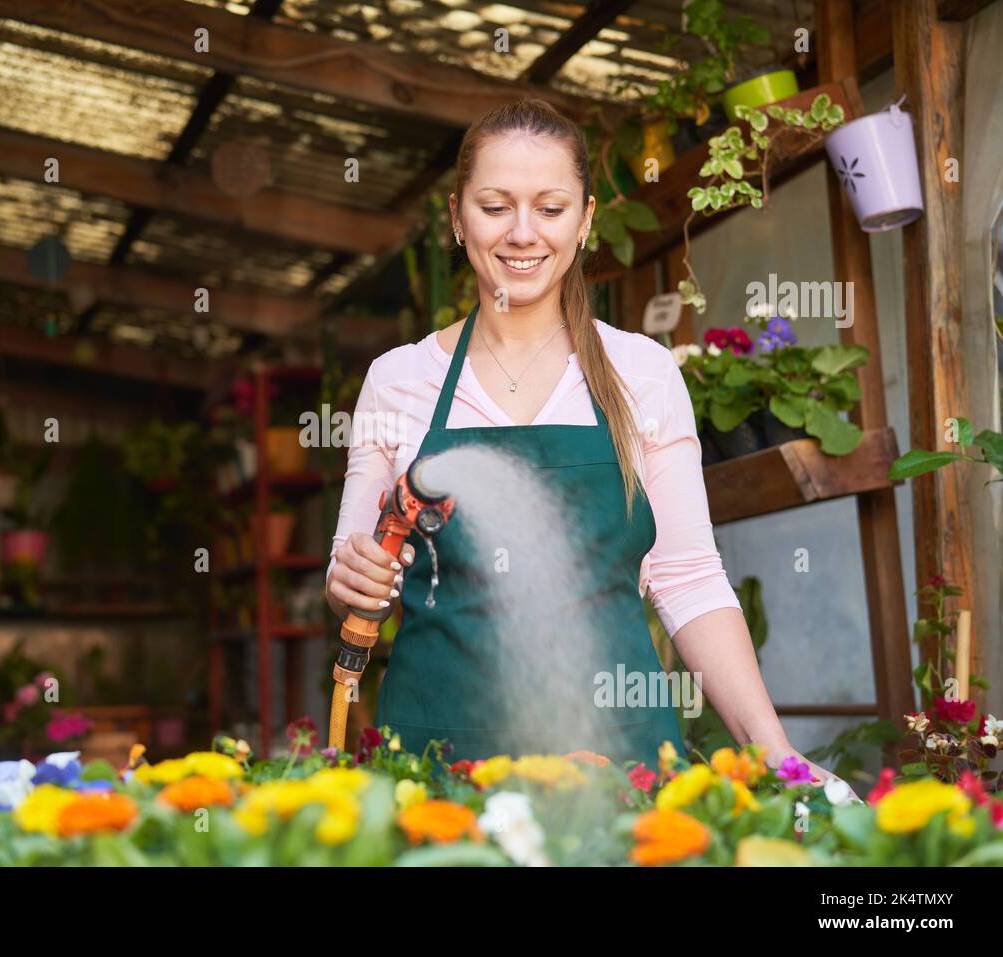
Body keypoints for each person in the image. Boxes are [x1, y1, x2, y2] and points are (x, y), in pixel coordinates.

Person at [324, 97, 857, 796]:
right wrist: (352, 580)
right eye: (495, 206)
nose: (522, 232)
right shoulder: (399, 381)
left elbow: (688, 576)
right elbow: (352, 572)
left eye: (549, 207)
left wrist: (775, 753)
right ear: (458, 217)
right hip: (436, 766)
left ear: (585, 219)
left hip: (619, 763)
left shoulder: (642, 372)